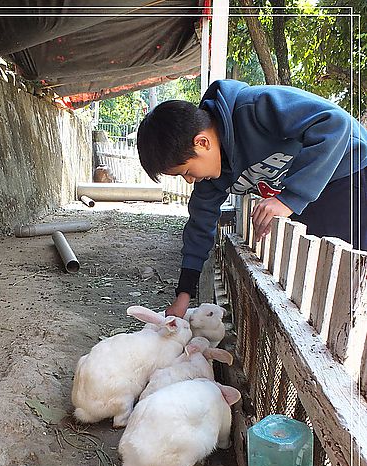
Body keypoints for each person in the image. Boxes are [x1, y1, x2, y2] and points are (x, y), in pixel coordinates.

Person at [136, 79, 367, 318]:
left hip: (352, 174)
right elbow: (199, 226)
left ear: (202, 143)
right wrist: (183, 296)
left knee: (352, 279)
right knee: (322, 284)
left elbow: (334, 123)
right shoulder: (214, 175)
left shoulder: (256, 107)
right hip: (313, 194)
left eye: (185, 171)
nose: (190, 180)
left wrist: (289, 198)